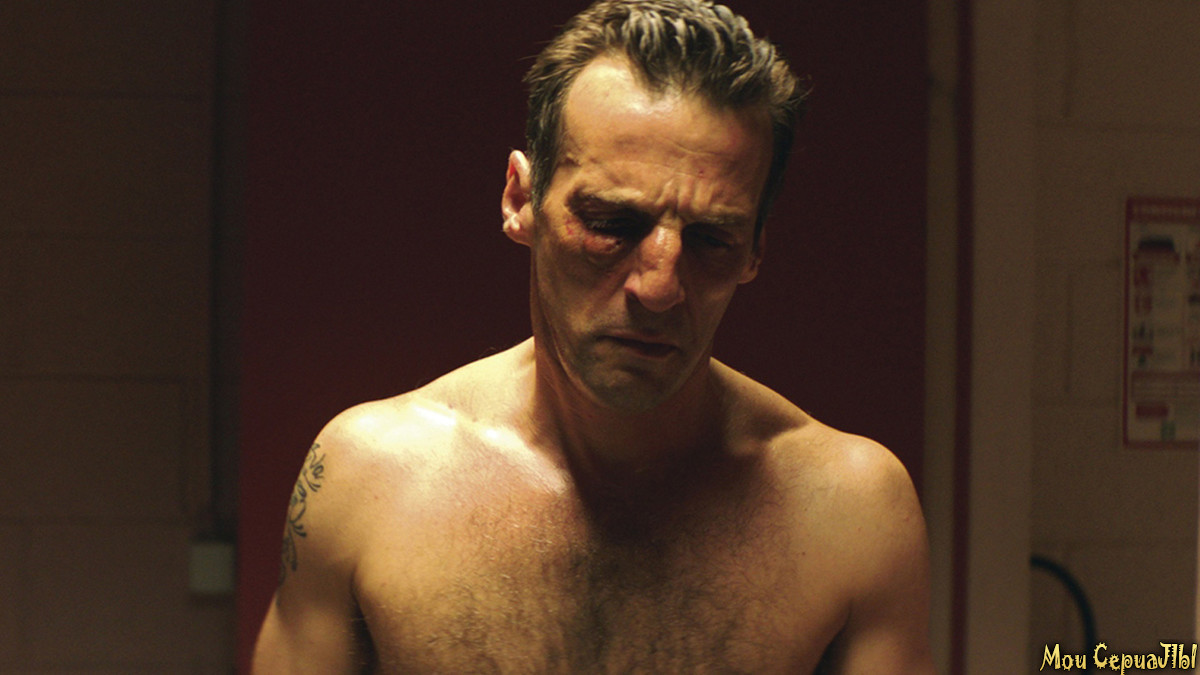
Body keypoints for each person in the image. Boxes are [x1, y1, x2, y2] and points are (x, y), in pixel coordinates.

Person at [252, 0, 934, 672]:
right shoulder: (368, 480)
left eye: (711, 239)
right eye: (611, 223)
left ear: (755, 248)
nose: (660, 287)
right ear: (520, 200)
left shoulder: (850, 512)